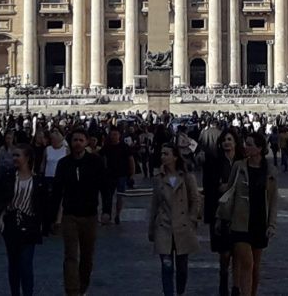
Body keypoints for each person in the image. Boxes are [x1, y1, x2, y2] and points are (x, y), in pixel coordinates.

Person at [46, 127, 111, 296]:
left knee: (87, 257)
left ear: (87, 142)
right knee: (71, 256)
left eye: (81, 140)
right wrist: (53, 217)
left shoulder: (96, 162)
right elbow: (57, 192)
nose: (78, 143)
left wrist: (106, 210)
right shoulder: (64, 163)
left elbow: (105, 187)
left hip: (90, 215)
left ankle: (82, 286)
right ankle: (72, 291)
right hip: (70, 215)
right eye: (75, 140)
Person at [0, 144, 49, 296]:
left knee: (26, 263)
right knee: (14, 263)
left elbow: (43, 205)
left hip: (30, 224)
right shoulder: (8, 176)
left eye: (18, 155)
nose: (14, 158)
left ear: (27, 158)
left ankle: (28, 293)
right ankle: (15, 292)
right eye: (13, 155)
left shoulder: (38, 180)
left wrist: (46, 224)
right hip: (11, 224)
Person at [222, 132, 278, 296]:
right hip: (239, 221)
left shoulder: (270, 170)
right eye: (245, 143)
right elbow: (230, 191)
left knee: (255, 266)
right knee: (247, 263)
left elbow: (273, 199)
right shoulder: (239, 166)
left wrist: (272, 224)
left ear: (259, 148)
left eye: (250, 144)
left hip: (259, 220)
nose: (246, 147)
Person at [148, 142, 200, 296]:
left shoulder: (187, 177)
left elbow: (195, 199)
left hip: (183, 226)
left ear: (175, 157)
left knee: (182, 268)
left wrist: (192, 219)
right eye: (162, 154)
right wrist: (151, 228)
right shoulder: (158, 179)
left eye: (166, 154)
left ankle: (180, 292)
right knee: (167, 267)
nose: (163, 157)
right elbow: (154, 204)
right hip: (164, 226)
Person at [204, 129, 239, 296]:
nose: (227, 142)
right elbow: (208, 188)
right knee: (224, 253)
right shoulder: (214, 162)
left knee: (239, 252)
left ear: (235, 142)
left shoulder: (242, 162)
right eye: (224, 139)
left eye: (230, 139)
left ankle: (236, 287)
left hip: (239, 212)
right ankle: (224, 279)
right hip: (221, 212)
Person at [102, 127, 136, 224]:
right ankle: (108, 215)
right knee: (109, 196)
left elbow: (131, 160)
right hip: (110, 175)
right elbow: (101, 157)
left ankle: (117, 215)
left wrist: (132, 174)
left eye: (115, 134)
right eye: (112, 134)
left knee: (120, 196)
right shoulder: (107, 147)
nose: (113, 137)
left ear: (119, 135)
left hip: (122, 175)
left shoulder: (124, 147)